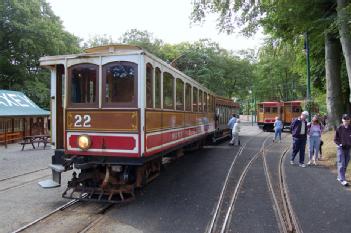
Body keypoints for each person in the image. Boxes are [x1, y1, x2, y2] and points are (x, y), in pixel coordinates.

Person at [334, 114, 351, 186]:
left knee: (346, 163)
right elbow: (335, 139)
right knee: (342, 163)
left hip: (348, 148)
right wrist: (339, 144)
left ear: (349, 120)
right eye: (345, 120)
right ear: (342, 120)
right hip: (340, 148)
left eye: (347, 120)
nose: (346, 121)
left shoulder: (350, 128)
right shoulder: (339, 128)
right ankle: (343, 180)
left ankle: (339, 176)